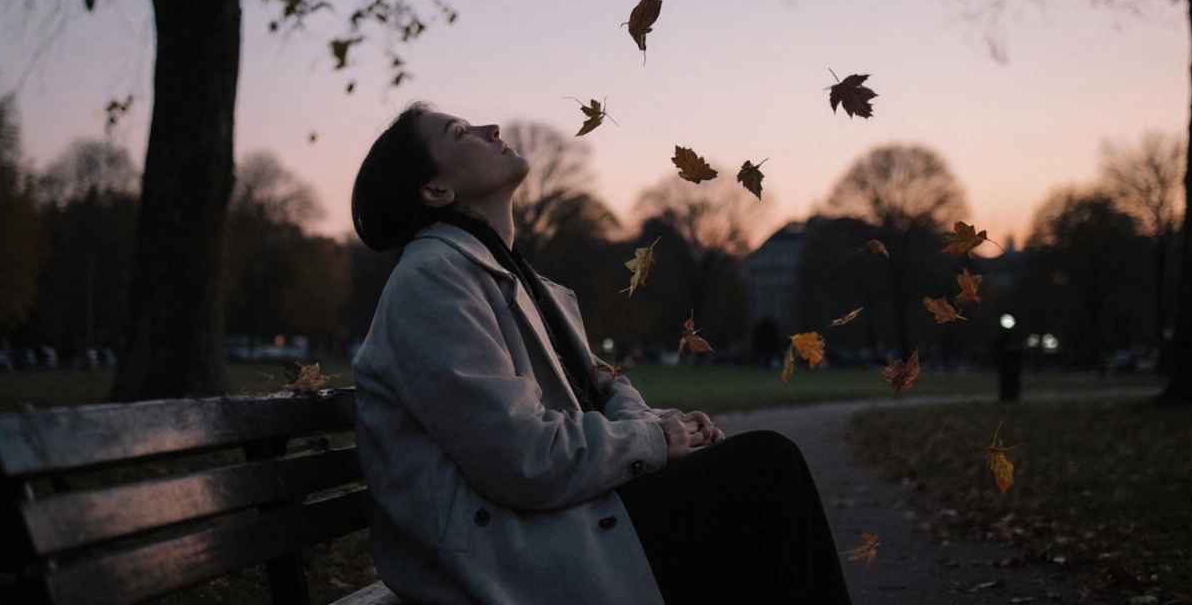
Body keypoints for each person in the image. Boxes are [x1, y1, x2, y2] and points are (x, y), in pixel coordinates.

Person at [351, 103, 853, 605]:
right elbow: (523, 457)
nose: (491, 128)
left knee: (757, 478)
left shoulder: (517, 280)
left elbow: (604, 388)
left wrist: (667, 426)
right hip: (509, 554)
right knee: (766, 469)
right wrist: (654, 439)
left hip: (559, 521)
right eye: (460, 133)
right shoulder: (432, 281)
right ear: (437, 190)